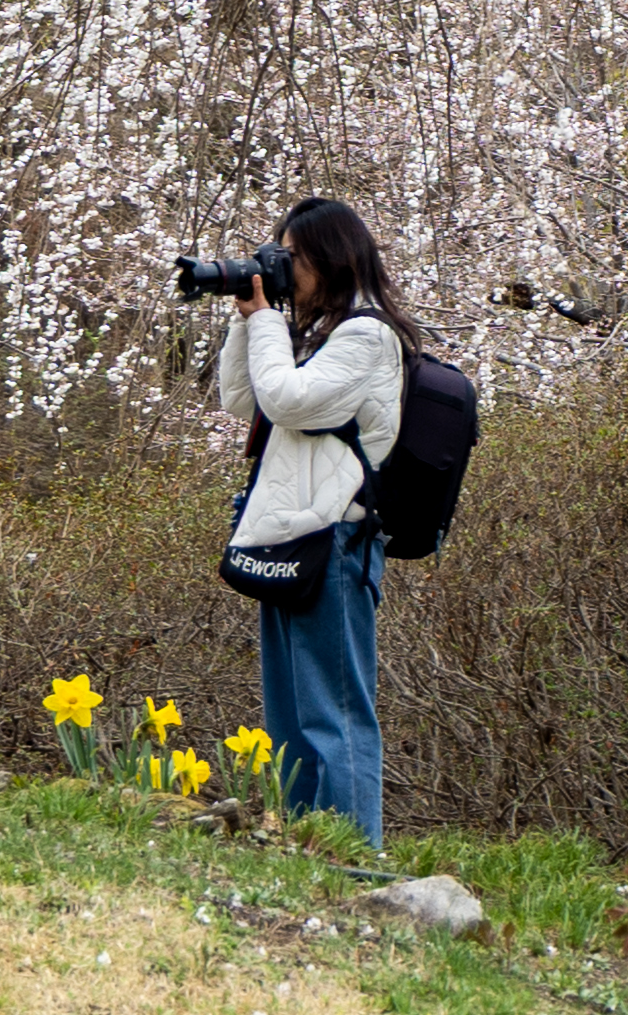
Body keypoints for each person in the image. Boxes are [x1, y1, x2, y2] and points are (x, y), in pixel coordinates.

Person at [214, 195, 412, 844]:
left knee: (337, 712)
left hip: (340, 542)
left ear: (331, 257)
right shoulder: (313, 337)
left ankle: (354, 853)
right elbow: (241, 397)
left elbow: (287, 400)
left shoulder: (367, 336)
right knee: (291, 716)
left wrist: (268, 321)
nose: (282, 266)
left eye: (291, 256)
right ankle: (304, 845)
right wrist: (252, 319)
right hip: (295, 539)